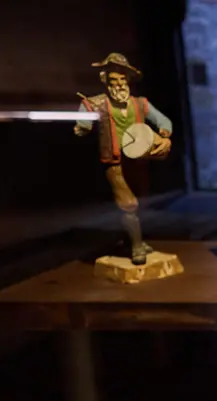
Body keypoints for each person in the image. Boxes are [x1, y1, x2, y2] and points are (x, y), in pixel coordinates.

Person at [74, 53, 173, 265]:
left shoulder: (140, 104)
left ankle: (132, 239)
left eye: (121, 80)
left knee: (140, 203)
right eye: (113, 80)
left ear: (127, 81)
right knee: (128, 204)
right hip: (115, 162)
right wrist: (82, 126)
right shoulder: (96, 104)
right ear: (106, 81)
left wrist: (164, 136)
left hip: (138, 160)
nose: (118, 84)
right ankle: (136, 247)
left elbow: (163, 121)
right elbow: (84, 122)